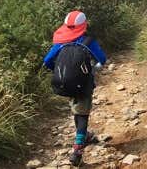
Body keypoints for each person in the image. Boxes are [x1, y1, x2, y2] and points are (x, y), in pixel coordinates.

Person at [43, 11, 107, 166]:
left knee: (77, 109)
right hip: (83, 83)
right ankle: (77, 151)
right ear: (83, 25)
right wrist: (93, 68)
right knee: (83, 114)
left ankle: (84, 136)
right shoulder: (88, 40)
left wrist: (61, 71)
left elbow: (47, 61)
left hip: (65, 83)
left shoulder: (61, 41)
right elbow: (102, 59)